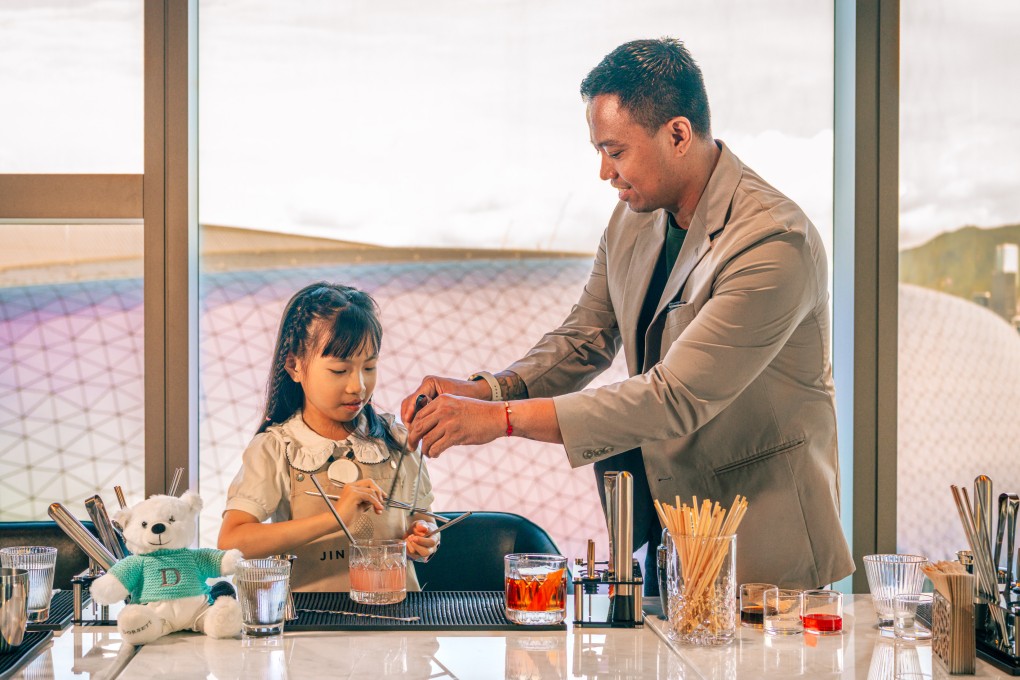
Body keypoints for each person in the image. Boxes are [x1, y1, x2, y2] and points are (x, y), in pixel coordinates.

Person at [401, 37, 854, 590]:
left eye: (615, 151)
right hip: (670, 539)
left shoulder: (773, 241)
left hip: (765, 552)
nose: (603, 172)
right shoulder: (634, 218)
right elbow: (585, 336)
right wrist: (490, 391)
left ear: (678, 134)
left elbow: (674, 397)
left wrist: (504, 421)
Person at [219, 282, 439, 591]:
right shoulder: (278, 448)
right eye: (339, 370)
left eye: (370, 367)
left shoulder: (397, 441)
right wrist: (335, 517)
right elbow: (233, 540)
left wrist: (425, 535)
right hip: (311, 628)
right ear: (295, 366)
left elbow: (423, 517)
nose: (358, 387)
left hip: (399, 624)